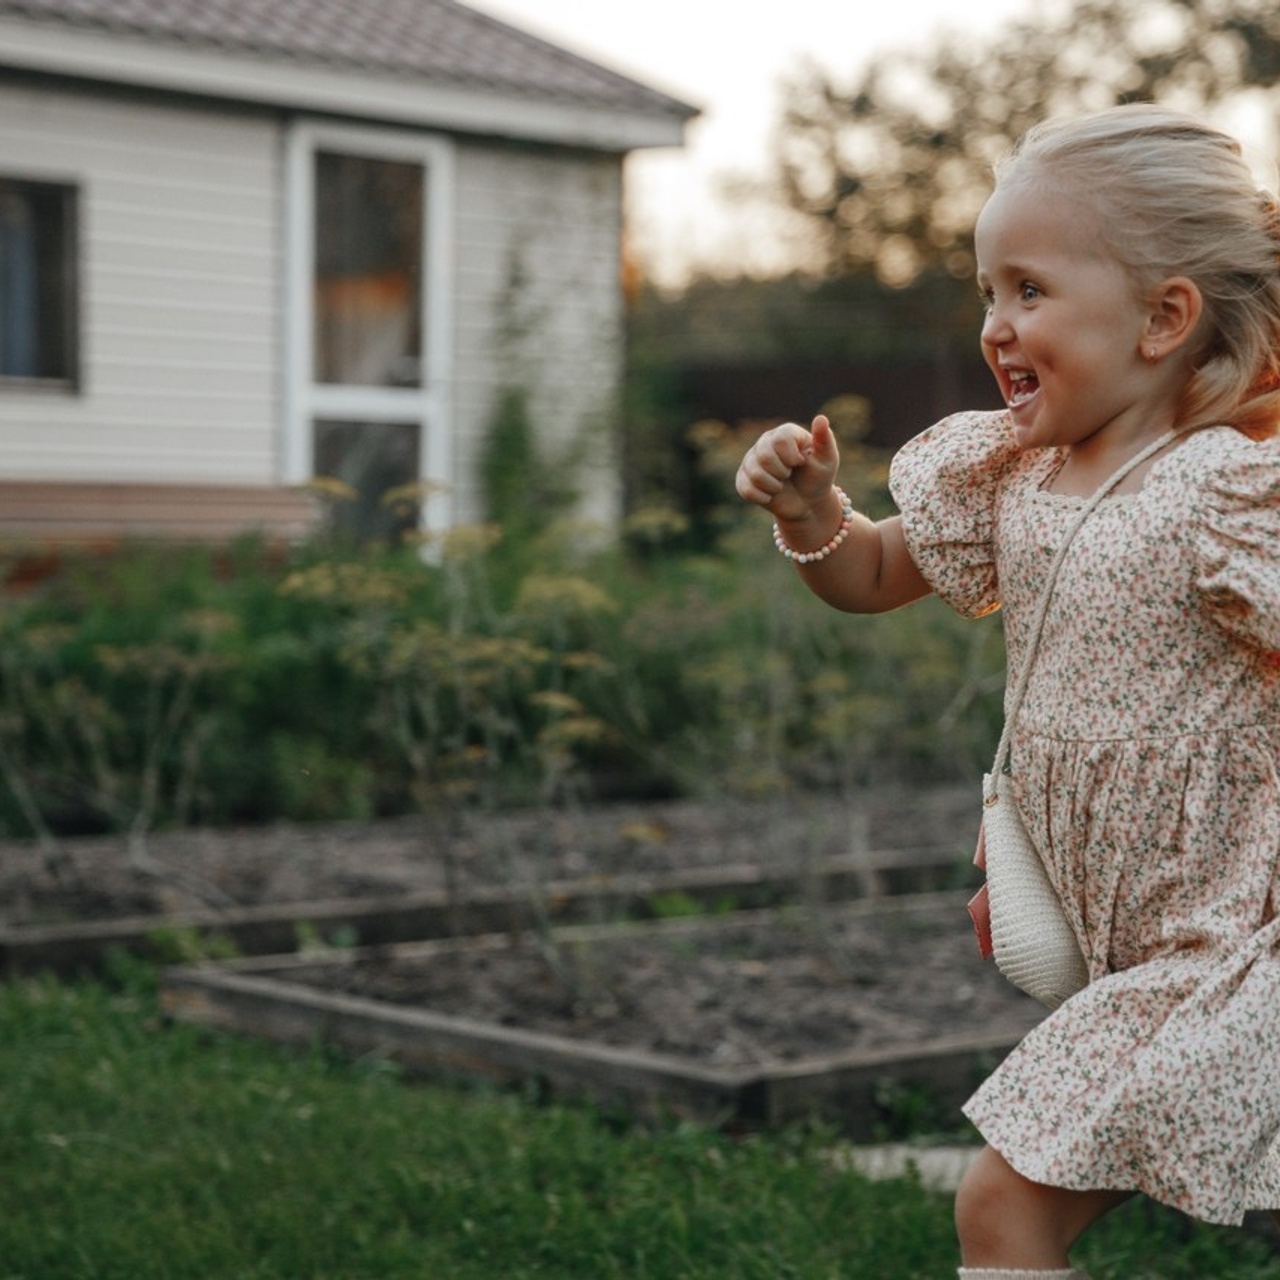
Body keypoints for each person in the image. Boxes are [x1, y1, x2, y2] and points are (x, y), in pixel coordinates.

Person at [735, 102, 1280, 1279]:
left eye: (1027, 289)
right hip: (1126, 941)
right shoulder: (1011, 474)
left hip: (1231, 941)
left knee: (1000, 1208)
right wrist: (815, 513)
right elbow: (871, 573)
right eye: (986, 292)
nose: (994, 325)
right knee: (1008, 1207)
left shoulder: (1225, 491)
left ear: (1162, 317)